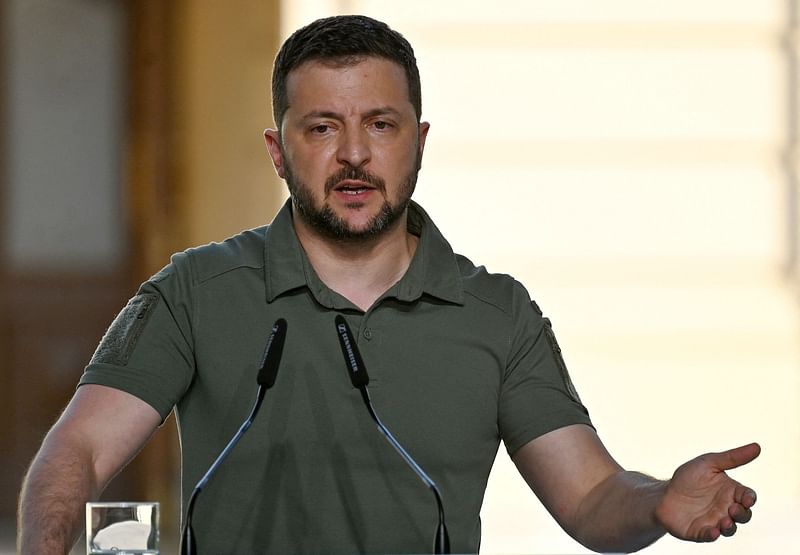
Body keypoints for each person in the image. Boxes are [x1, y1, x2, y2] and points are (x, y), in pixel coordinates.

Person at [17, 14, 760, 555]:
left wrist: (658, 502)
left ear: (419, 142)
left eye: (380, 125)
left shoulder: (496, 313)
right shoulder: (195, 290)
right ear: (277, 151)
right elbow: (76, 452)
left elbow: (594, 498)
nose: (352, 156)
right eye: (321, 128)